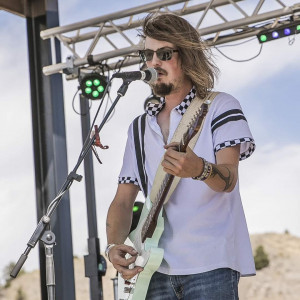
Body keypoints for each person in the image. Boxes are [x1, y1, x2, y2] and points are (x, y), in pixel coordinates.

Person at [106, 12, 256, 300]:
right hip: (153, 269)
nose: (153, 63)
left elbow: (229, 179)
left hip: (212, 264)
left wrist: (199, 169)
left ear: (186, 58)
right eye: (147, 55)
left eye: (164, 54)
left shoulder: (219, 107)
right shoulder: (138, 128)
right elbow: (123, 200)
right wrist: (113, 246)